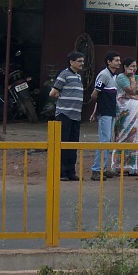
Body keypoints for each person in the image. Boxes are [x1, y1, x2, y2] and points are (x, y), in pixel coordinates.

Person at [49, 51, 85, 181]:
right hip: (64, 114)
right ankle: (62, 172)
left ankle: (71, 172)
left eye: (82, 61)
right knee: (63, 143)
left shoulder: (78, 76)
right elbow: (53, 93)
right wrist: (63, 99)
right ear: (71, 62)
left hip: (76, 116)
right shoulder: (64, 74)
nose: (82, 63)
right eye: (79, 61)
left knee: (73, 144)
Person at [111, 58, 138, 176]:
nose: (134, 69)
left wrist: (133, 98)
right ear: (125, 67)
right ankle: (118, 166)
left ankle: (132, 167)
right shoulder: (121, 77)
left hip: (136, 111)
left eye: (135, 66)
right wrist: (131, 78)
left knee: (134, 136)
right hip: (123, 112)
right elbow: (132, 90)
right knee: (122, 136)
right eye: (131, 66)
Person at [89, 51, 121, 181]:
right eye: (116, 60)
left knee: (107, 140)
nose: (119, 62)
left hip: (110, 112)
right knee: (104, 140)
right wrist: (98, 110)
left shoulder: (113, 77)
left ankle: (102, 168)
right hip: (105, 112)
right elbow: (94, 94)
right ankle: (96, 170)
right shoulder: (104, 75)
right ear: (109, 62)